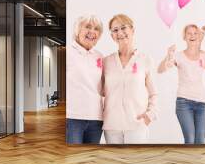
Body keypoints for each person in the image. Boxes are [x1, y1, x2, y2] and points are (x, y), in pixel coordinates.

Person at [102, 14, 158, 144]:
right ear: (112, 36)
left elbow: (154, 93)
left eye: (123, 28)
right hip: (112, 126)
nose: (120, 32)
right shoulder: (106, 61)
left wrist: (149, 115)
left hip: (137, 125)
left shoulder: (145, 59)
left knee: (135, 163)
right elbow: (100, 91)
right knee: (115, 163)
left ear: (133, 30)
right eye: (115, 30)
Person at [158, 24, 205, 144]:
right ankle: (188, 163)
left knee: (200, 142)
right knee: (190, 140)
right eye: (189, 33)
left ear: (199, 37)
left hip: (201, 103)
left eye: (195, 33)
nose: (192, 35)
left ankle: (197, 163)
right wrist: (168, 55)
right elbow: (160, 69)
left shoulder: (203, 56)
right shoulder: (178, 56)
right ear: (184, 37)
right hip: (184, 103)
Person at [66, 15, 104, 144]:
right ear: (77, 30)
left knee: (90, 160)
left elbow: (104, 87)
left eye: (96, 29)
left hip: (96, 118)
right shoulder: (69, 53)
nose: (92, 32)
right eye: (87, 27)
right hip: (73, 118)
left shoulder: (99, 56)